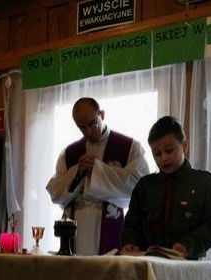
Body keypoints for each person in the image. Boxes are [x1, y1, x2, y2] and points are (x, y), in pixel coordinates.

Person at [46, 97, 149, 256]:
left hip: (110, 219)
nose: (88, 132)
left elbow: (139, 186)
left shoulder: (129, 147)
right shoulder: (69, 153)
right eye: (82, 128)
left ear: (102, 114)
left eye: (92, 124)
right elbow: (56, 193)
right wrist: (77, 172)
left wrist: (98, 169)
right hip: (78, 223)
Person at [121, 115, 211, 260]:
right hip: (149, 263)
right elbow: (132, 224)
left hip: (188, 263)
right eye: (157, 154)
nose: (163, 158)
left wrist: (188, 245)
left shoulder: (204, 183)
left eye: (169, 150)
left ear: (184, 146)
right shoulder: (145, 186)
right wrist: (130, 243)